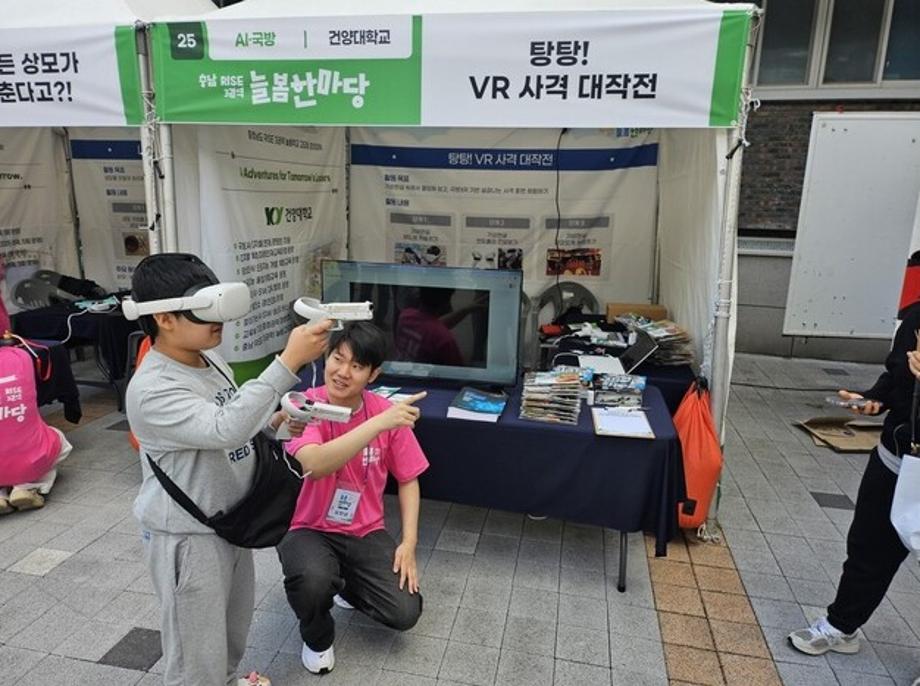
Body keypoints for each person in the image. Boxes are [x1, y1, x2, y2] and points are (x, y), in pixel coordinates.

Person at [125, 253, 332, 686]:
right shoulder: (153, 388)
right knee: (195, 656)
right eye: (203, 310)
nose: (217, 321)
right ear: (163, 318)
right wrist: (287, 363)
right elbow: (224, 427)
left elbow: (233, 424)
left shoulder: (209, 358)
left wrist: (275, 424)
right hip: (189, 537)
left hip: (231, 522)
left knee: (230, 634)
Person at [279, 321, 428, 675]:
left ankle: (344, 583)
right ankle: (317, 638)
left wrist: (409, 542)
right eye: (337, 358)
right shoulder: (304, 405)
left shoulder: (384, 411)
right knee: (312, 581)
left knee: (405, 612)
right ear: (326, 357)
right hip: (306, 526)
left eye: (357, 365)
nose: (343, 372)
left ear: (373, 374)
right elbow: (315, 464)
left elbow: (409, 478)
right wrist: (377, 423)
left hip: (364, 529)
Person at [788, 296, 920, 663]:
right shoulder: (916, 315)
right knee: (867, 548)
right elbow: (896, 377)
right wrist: (874, 398)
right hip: (894, 458)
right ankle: (841, 626)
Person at [0, 337, 73, 513]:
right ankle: (27, 487)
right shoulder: (21, 357)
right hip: (27, 457)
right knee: (58, 441)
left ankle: (2, 493)